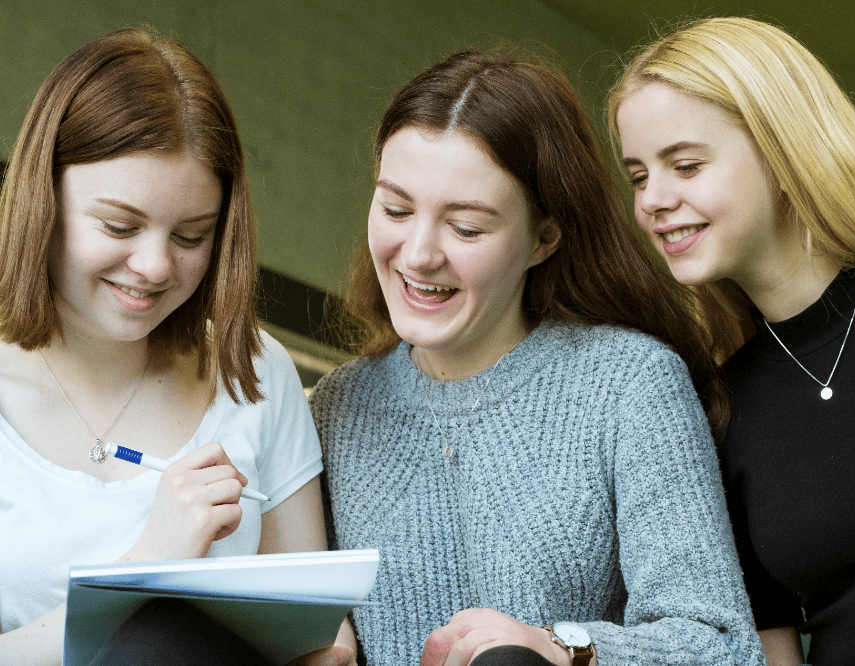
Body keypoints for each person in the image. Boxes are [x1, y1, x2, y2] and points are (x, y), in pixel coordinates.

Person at [306, 49, 765, 666]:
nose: (417, 254)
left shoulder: (630, 385)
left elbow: (722, 646)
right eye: (395, 209)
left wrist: (558, 647)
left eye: (466, 228)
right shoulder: (336, 408)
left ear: (543, 239)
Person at [610, 16, 855, 666]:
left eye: (685, 165)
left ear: (784, 153)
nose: (652, 199)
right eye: (638, 176)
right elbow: (767, 643)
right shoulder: (717, 406)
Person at [0, 27, 330, 664]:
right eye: (119, 225)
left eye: (191, 236)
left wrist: (323, 647)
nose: (154, 266)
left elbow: (314, 626)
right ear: (44, 200)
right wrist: (148, 563)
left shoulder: (255, 372)